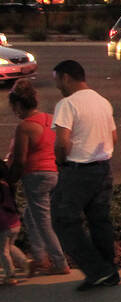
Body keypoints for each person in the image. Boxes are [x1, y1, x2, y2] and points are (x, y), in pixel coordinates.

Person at [48, 60, 119, 291]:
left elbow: (62, 142)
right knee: (100, 220)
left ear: (66, 77)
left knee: (63, 219)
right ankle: (108, 269)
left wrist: (61, 162)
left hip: (78, 170)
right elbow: (114, 137)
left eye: (57, 79)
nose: (57, 84)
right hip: (103, 167)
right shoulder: (102, 101)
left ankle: (97, 270)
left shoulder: (67, 104)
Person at [6, 79, 68, 275]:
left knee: (42, 221)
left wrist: (10, 180)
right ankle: (40, 258)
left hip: (36, 177)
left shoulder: (25, 127)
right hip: (53, 173)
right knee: (31, 216)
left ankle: (59, 263)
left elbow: (20, 161)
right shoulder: (50, 119)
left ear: (17, 105)